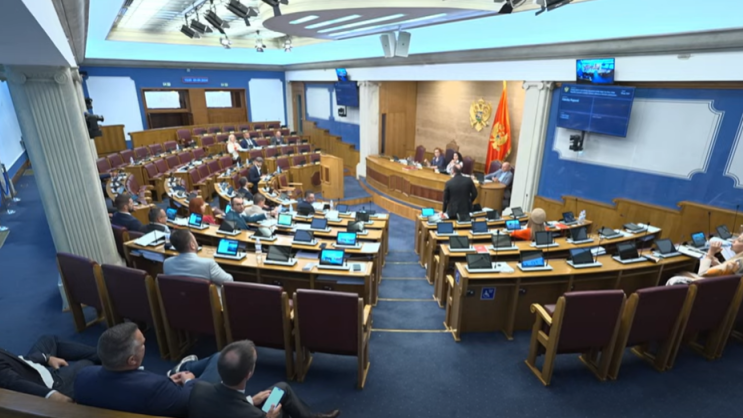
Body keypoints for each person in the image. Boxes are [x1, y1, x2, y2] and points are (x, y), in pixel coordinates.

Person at [75, 323, 222, 418]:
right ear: (132, 360)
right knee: (220, 359)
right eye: (143, 344)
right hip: (184, 405)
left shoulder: (83, 376)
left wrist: (168, 382)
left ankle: (184, 368)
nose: (145, 346)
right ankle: (185, 368)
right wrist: (189, 381)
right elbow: (189, 401)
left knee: (199, 364)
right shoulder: (154, 387)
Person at [188, 340, 340, 418]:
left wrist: (250, 401)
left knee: (281, 389)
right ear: (249, 374)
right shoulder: (253, 415)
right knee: (280, 410)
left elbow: (226, 407)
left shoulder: (198, 389)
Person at [0, 335, 100, 402]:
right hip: (47, 383)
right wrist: (51, 394)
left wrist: (46, 358)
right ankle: (104, 355)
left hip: (28, 365)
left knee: (48, 340)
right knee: (86, 365)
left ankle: (102, 353)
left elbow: (15, 360)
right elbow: (13, 382)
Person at [163, 229, 234, 285]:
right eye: (195, 240)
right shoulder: (208, 264)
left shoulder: (167, 263)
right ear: (192, 245)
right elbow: (229, 281)